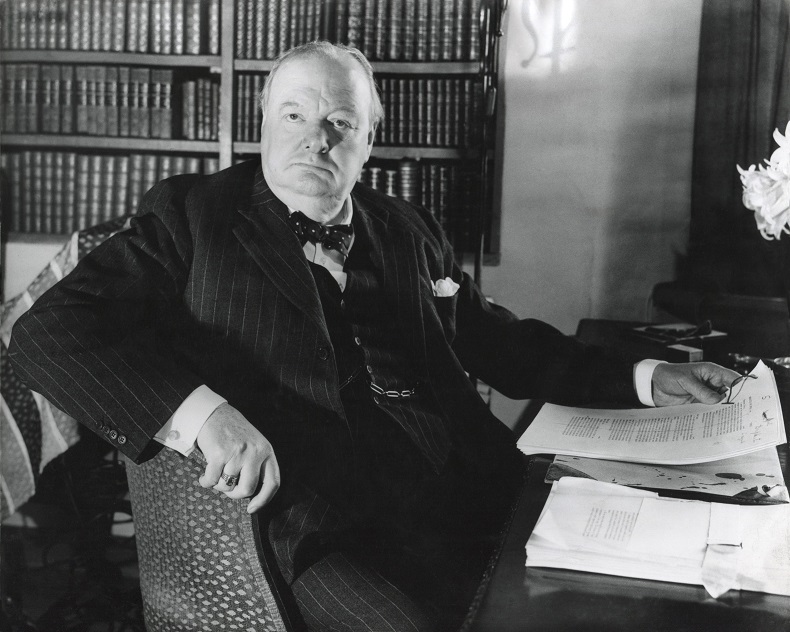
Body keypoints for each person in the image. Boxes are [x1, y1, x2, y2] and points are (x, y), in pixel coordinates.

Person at [9, 41, 740, 631]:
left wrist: (644, 377)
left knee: (620, 597)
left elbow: (497, 340)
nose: (313, 140)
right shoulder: (191, 217)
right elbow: (48, 332)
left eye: (338, 124)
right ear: (263, 121)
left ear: (368, 141)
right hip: (317, 523)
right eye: (292, 116)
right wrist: (203, 416)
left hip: (465, 489)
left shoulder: (403, 226)